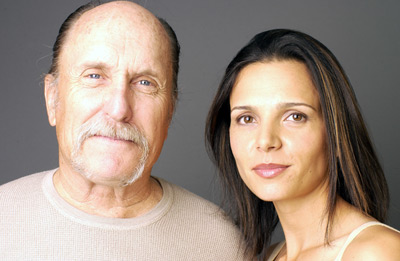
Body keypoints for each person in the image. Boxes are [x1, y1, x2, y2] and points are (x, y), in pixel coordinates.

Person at [0, 1, 245, 260]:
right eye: (94, 76)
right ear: (52, 99)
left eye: (144, 83)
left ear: (169, 111)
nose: (119, 109)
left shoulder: (221, 245)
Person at [205, 29, 400, 260]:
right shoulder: (269, 256)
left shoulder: (377, 253)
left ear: (336, 135)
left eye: (295, 116)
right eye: (247, 119)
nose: (266, 141)